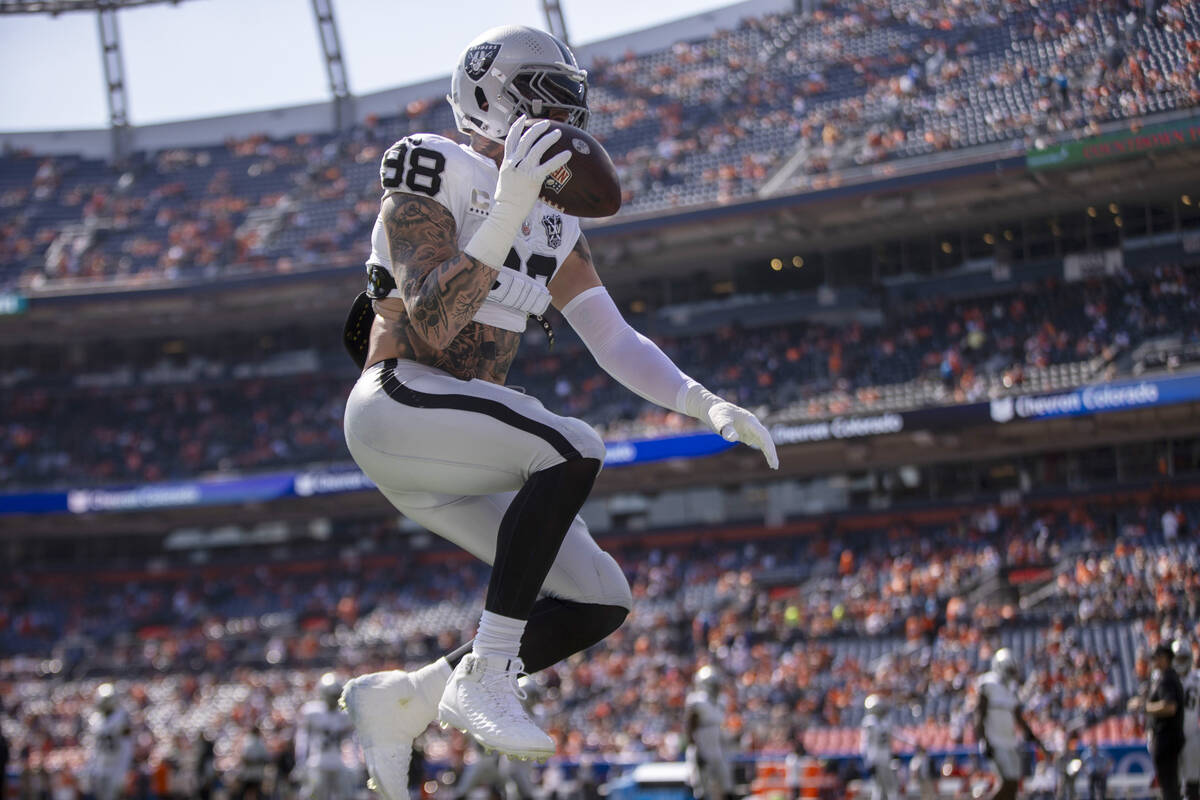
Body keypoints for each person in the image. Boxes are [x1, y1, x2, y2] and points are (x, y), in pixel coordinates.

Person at [337, 23, 778, 800]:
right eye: (545, 100)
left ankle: (406, 698)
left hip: (461, 445)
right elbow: (434, 320)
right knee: (573, 446)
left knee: (601, 598)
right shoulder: (433, 164)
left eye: (570, 107)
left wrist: (702, 401)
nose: (564, 125)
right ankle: (487, 672)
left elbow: (612, 338)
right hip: (399, 403)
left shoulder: (553, 220)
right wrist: (506, 202)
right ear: (492, 94)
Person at [975, 648, 1045, 800]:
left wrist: (1033, 737)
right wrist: (983, 739)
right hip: (994, 740)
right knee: (1006, 783)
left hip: (1010, 742)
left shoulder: (1011, 689)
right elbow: (979, 714)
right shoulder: (988, 684)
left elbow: (1018, 717)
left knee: (1013, 788)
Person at [1129, 642, 1185, 800]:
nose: (1153, 661)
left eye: (1156, 657)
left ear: (1165, 658)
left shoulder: (1167, 679)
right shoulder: (1168, 677)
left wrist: (1144, 707)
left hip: (1166, 738)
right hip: (1168, 738)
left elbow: (1170, 707)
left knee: (1169, 785)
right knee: (1169, 784)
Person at [295, 674, 354, 800]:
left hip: (337, 761)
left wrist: (353, 763)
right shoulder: (312, 711)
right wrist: (300, 762)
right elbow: (303, 739)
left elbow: (351, 742)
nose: (333, 698)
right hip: (319, 760)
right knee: (313, 795)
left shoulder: (344, 715)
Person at [685, 666, 735, 800]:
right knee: (702, 785)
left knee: (726, 781)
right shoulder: (697, 701)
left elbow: (720, 728)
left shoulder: (721, 701)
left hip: (717, 746)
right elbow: (690, 726)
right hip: (702, 745)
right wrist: (696, 750)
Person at [84, 683, 133, 800]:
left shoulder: (121, 717)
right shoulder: (95, 719)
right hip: (101, 764)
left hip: (117, 762)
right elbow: (94, 746)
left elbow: (127, 743)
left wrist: (125, 766)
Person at [860, 695, 901, 800]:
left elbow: (865, 744)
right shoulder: (875, 722)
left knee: (883, 787)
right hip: (881, 758)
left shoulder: (880, 722)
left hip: (880, 758)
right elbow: (865, 743)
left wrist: (867, 760)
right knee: (884, 786)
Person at [1177, 640, 1200, 800]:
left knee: (1192, 784)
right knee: (1174, 784)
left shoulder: (1196, 679)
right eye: (1178, 658)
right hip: (1172, 735)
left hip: (1191, 734)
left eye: (1184, 658)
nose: (1181, 662)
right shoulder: (1166, 679)